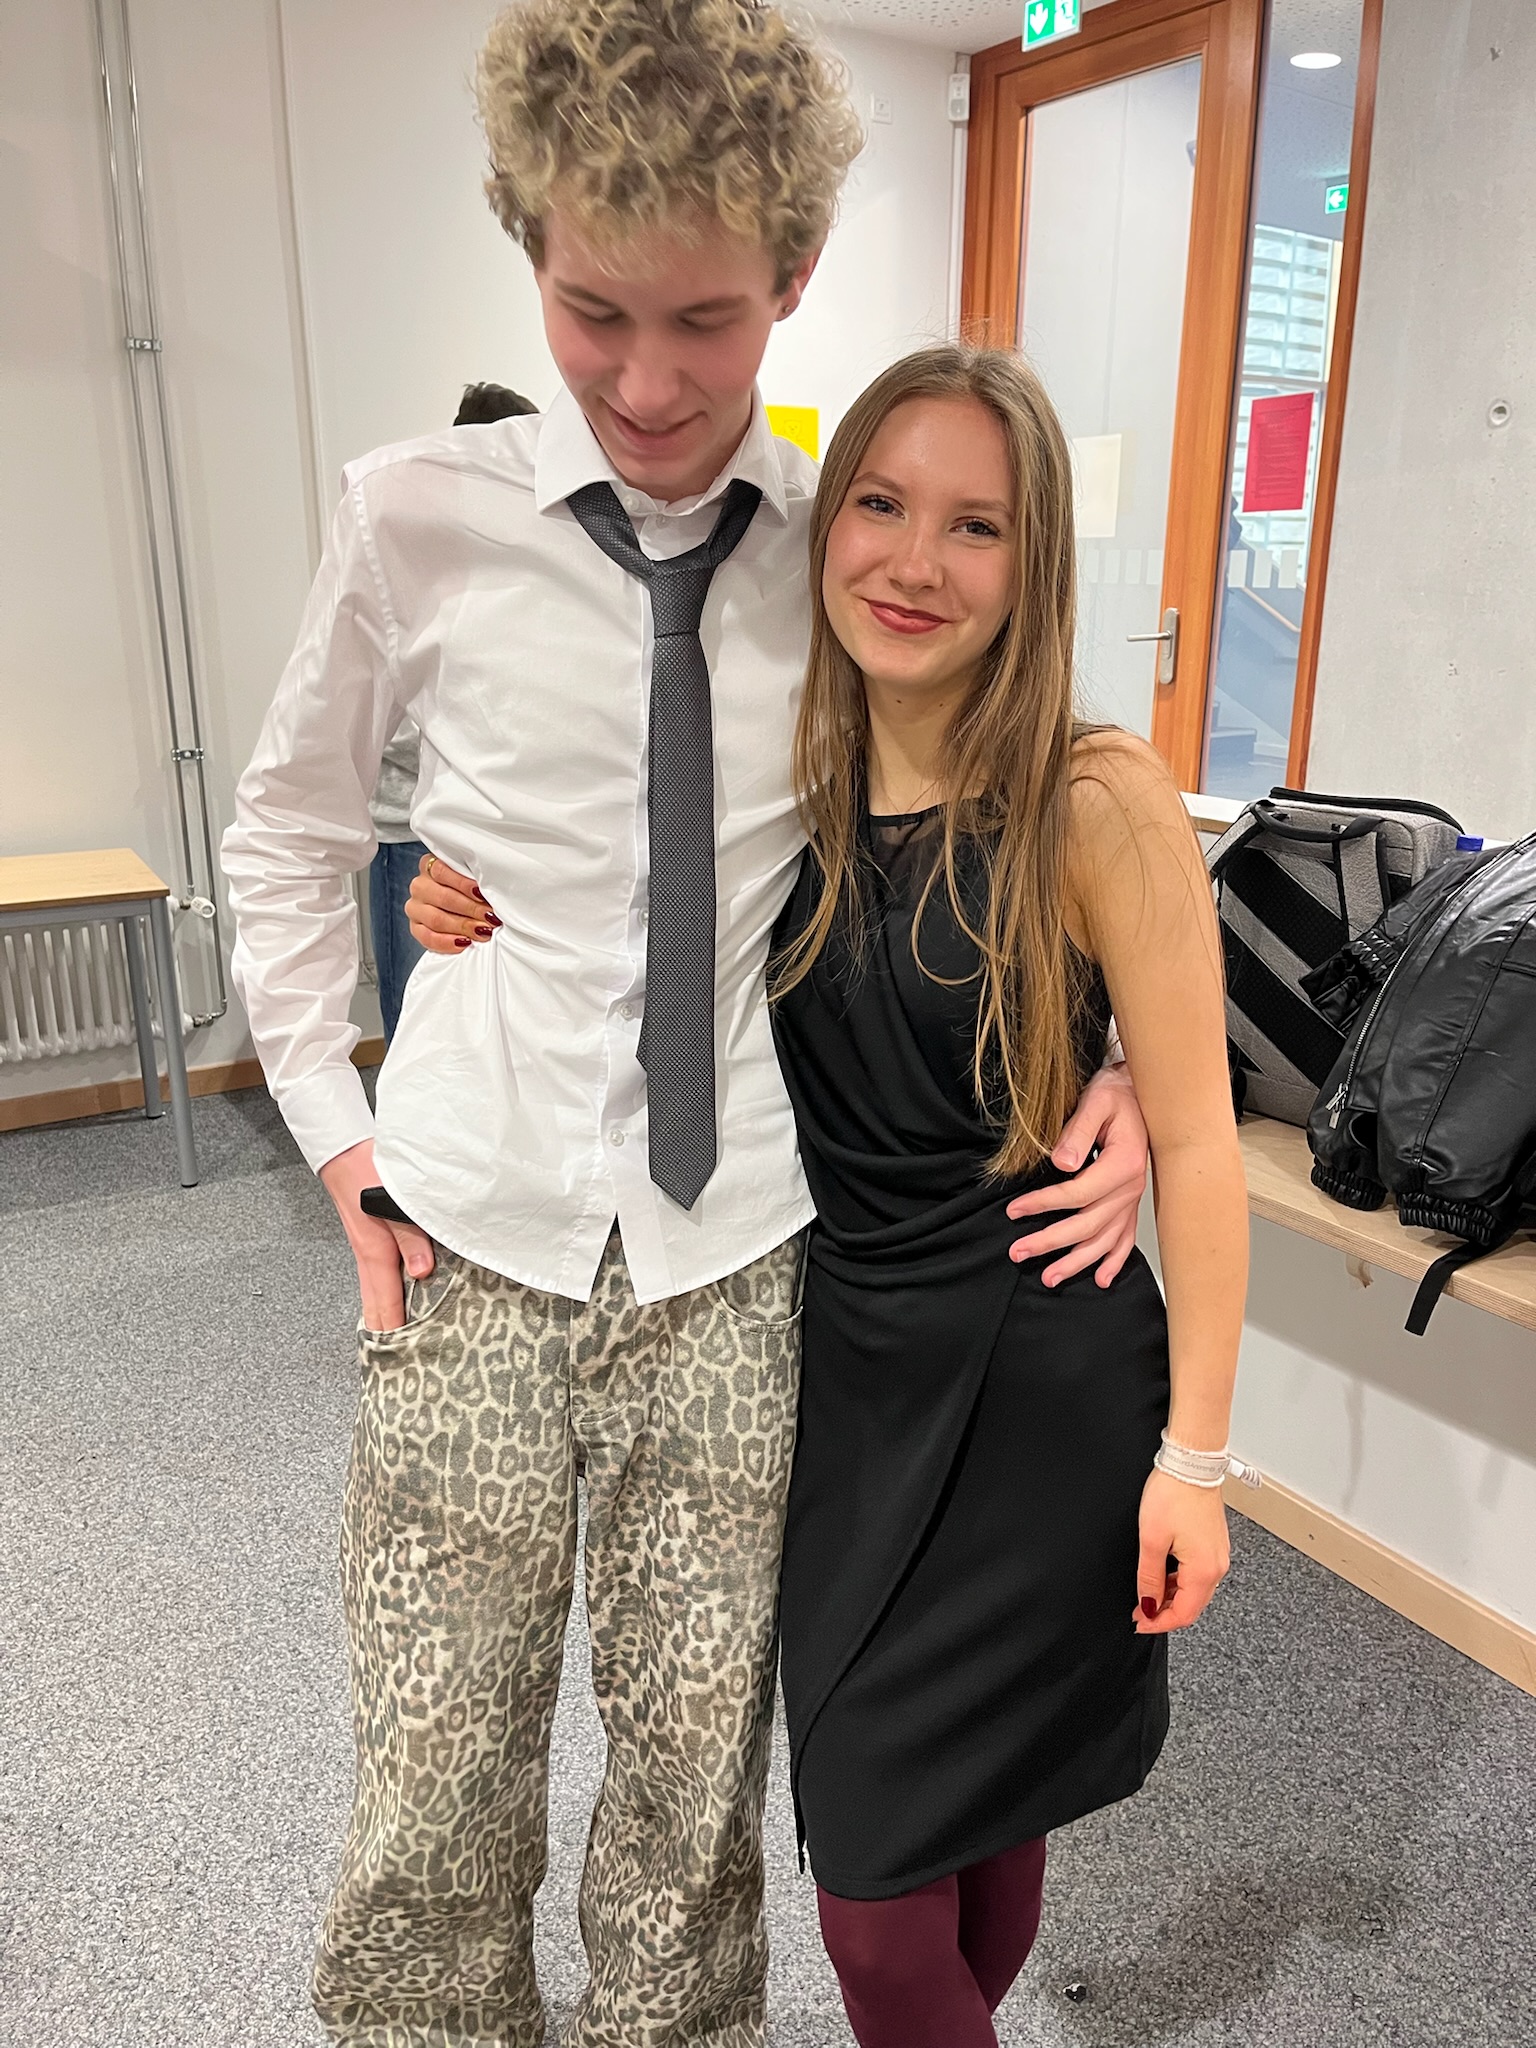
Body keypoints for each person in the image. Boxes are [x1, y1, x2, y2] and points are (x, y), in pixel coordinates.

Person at [221, 4, 1151, 2044]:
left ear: (795, 279)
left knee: (693, 1791)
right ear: (528, 249)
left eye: (707, 322)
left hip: (741, 1261)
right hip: (463, 1234)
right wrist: (336, 1135)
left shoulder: (846, 552)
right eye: (592, 312)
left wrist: (1124, 1072)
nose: (646, 382)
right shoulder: (413, 514)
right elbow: (287, 829)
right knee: (432, 1782)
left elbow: (1012, 811)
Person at [412, 344, 1248, 2048]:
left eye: (976, 526)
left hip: (1042, 1381)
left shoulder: (1093, 797)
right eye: (879, 504)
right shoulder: (774, 768)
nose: (915, 562)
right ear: (823, 522)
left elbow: (1209, 1136)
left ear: (1034, 560)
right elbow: (597, 868)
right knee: (880, 1866)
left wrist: (1200, 1463)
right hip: (845, 1375)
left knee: (944, 1862)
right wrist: (465, 881)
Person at [367, 382, 537, 1040]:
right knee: (418, 1012)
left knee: (488, 1019)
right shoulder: (422, 565)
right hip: (415, 830)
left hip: (501, 831)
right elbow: (384, 723)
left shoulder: (531, 566)